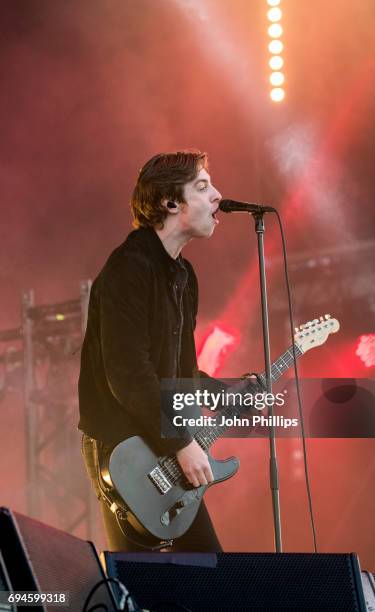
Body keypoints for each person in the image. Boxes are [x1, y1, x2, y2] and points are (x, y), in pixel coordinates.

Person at [78, 150, 225, 552]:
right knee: (140, 583)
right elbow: (127, 375)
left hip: (159, 438)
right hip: (124, 448)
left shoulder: (183, 275)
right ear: (170, 202)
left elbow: (181, 375)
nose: (217, 196)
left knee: (210, 575)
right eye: (203, 186)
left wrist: (232, 393)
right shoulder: (130, 266)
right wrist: (180, 442)